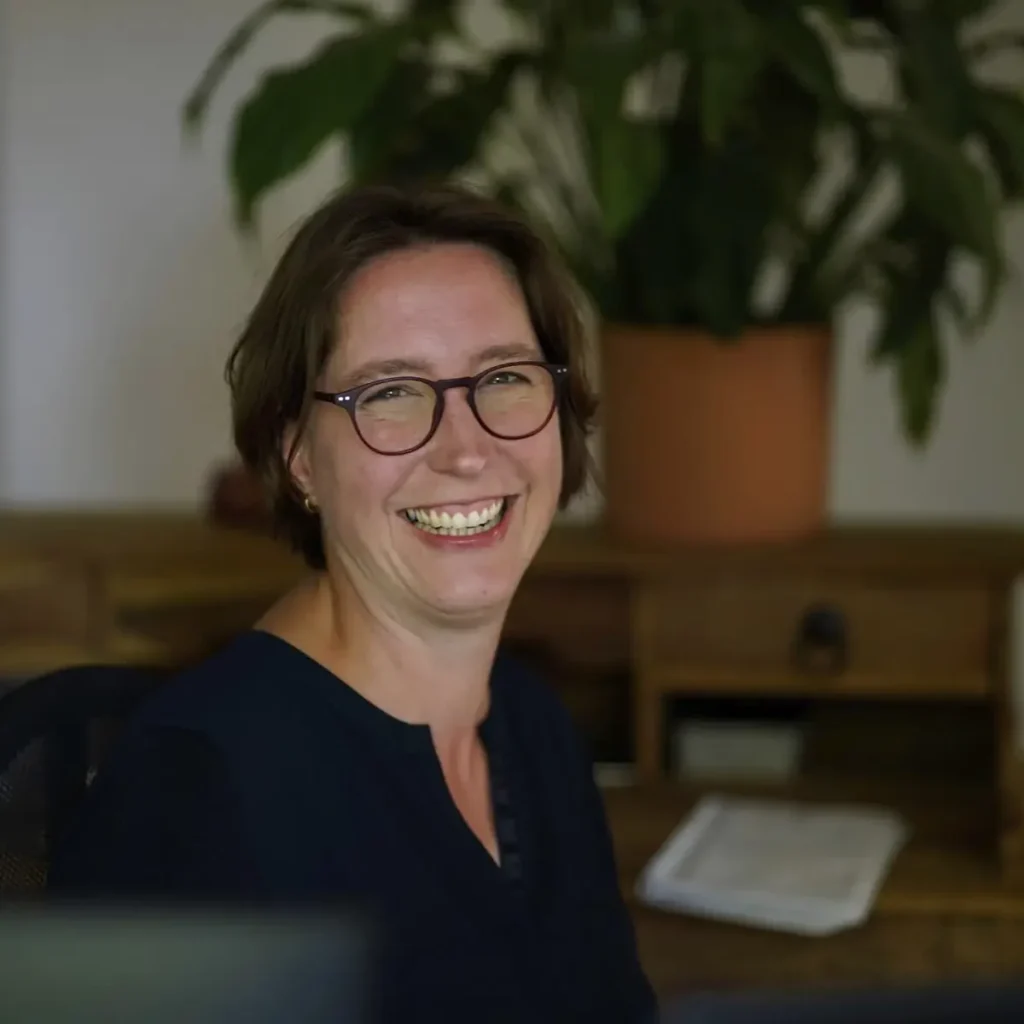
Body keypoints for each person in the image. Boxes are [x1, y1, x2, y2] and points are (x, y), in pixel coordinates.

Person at [48, 183, 657, 1024]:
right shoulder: (195, 798)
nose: (468, 450)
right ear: (298, 456)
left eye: (505, 377)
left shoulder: (532, 727)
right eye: (393, 393)